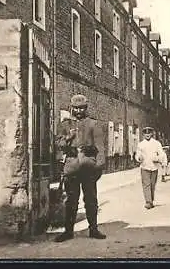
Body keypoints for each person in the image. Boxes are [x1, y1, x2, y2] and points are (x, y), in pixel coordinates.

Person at [54, 94, 107, 242]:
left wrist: (99, 166)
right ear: (71, 107)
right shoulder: (64, 125)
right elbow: (58, 145)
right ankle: (68, 231)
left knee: (90, 199)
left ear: (86, 108)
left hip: (88, 165)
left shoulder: (93, 124)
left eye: (82, 108)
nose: (78, 111)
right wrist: (68, 138)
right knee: (71, 200)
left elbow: (101, 148)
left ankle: (94, 229)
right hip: (71, 165)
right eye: (76, 108)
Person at [135, 127, 165, 209]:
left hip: (154, 167)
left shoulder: (156, 143)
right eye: (145, 133)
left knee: (152, 184)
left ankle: (151, 200)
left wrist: (158, 158)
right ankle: (148, 201)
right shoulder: (140, 144)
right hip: (144, 166)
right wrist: (139, 158)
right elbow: (137, 155)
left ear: (152, 134)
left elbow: (161, 154)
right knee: (146, 184)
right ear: (143, 134)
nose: (147, 135)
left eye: (149, 133)